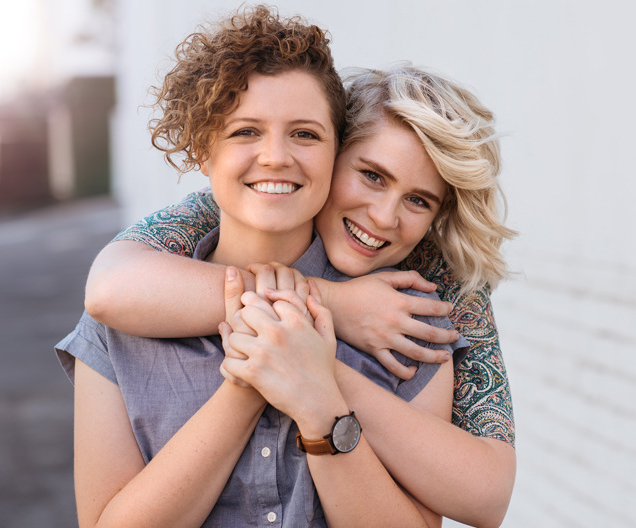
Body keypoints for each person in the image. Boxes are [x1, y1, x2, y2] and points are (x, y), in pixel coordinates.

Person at [55, 6, 462, 527]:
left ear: (338, 153)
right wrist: (246, 384)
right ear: (204, 151)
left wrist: (320, 405)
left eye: (305, 135)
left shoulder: (403, 324)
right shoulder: (117, 327)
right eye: (246, 131)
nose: (275, 156)